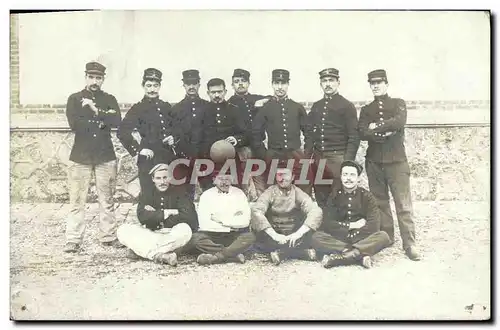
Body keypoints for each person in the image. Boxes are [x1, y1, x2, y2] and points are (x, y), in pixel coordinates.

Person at [358, 69, 420, 261]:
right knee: (380, 202)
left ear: (386, 84)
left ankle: (409, 243)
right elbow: (361, 132)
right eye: (372, 83)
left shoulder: (398, 104)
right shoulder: (367, 110)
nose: (376, 86)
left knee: (403, 205)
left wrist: (375, 127)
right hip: (374, 162)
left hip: (397, 163)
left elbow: (399, 122)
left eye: (379, 82)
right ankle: (387, 236)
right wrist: (384, 130)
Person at [64, 61, 122, 252]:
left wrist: (96, 110)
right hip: (81, 155)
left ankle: (108, 236)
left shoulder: (109, 99)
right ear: (86, 77)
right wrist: (101, 121)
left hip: (104, 155)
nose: (95, 81)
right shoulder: (74, 99)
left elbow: (116, 121)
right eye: (91, 77)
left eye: (98, 77)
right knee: (77, 199)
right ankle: (73, 239)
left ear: (103, 79)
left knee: (107, 198)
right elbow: (75, 124)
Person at [311, 160, 391, 268]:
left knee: (383, 236)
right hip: (340, 238)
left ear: (358, 178)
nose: (348, 178)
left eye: (352, 175)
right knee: (316, 237)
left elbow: (374, 225)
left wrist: (354, 234)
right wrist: (351, 226)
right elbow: (328, 223)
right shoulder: (334, 196)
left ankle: (342, 257)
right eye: (345, 174)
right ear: (341, 177)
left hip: (361, 238)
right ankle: (358, 254)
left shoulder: (367, 197)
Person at [116, 164, 197, 266]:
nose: (162, 182)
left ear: (170, 178)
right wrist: (167, 213)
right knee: (123, 230)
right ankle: (162, 254)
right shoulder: (147, 194)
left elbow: (189, 217)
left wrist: (155, 215)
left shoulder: (180, 193)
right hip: (151, 233)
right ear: (153, 179)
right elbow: (142, 217)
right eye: (158, 178)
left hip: (172, 233)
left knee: (185, 230)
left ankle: (146, 252)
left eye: (165, 177)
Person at [251, 69, 313, 195]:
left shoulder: (297, 108)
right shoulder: (266, 109)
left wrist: (306, 154)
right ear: (272, 84)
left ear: (288, 84)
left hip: (295, 155)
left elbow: (309, 133)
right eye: (277, 83)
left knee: (305, 183)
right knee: (273, 190)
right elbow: (256, 134)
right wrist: (264, 154)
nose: (280, 87)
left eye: (283, 83)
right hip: (274, 155)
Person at [306, 68, 360, 208]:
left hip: (337, 158)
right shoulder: (317, 106)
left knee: (338, 195)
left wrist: (347, 161)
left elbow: (354, 136)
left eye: (331, 80)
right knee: (321, 195)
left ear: (338, 82)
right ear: (321, 84)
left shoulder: (347, 106)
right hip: (319, 159)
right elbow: (311, 134)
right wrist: (309, 155)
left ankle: (339, 228)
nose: (328, 84)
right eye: (324, 81)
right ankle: (324, 228)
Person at [117, 68, 176, 194]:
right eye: (149, 86)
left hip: (167, 156)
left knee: (169, 194)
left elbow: (175, 128)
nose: (152, 89)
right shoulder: (137, 108)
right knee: (149, 194)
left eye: (155, 85)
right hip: (148, 158)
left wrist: (173, 138)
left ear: (159, 86)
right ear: (143, 86)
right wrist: (138, 150)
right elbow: (122, 132)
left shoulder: (166, 107)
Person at [251, 167, 322, 265]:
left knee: (313, 237)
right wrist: (274, 235)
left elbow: (315, 210)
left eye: (285, 175)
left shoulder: (297, 192)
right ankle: (300, 253)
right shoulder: (270, 192)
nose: (282, 178)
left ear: (292, 177)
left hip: (293, 233)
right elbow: (257, 210)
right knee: (258, 241)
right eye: (279, 175)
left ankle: (282, 253)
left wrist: (298, 233)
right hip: (275, 233)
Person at [192, 78, 247, 191]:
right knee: (209, 191)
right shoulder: (201, 112)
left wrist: (236, 139)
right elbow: (196, 137)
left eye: (219, 91)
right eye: (213, 92)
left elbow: (246, 134)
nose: (217, 95)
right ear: (208, 93)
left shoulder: (234, 110)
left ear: (225, 92)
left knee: (235, 190)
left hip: (230, 158)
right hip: (207, 158)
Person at [190, 171, 255, 265]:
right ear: (214, 180)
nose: (224, 182)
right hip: (212, 236)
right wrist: (233, 219)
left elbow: (245, 221)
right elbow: (204, 223)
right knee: (195, 238)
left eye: (227, 179)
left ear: (232, 180)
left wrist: (221, 220)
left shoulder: (239, 193)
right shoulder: (206, 195)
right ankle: (233, 254)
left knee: (249, 237)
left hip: (234, 235)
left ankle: (216, 257)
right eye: (220, 179)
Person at [227, 68, 270, 200]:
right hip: (241, 148)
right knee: (244, 182)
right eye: (237, 81)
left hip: (258, 147)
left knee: (263, 178)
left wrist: (262, 102)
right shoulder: (229, 103)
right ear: (232, 85)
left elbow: (273, 98)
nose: (240, 84)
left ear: (248, 83)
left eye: (243, 81)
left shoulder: (255, 98)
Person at [170, 69, 209, 200]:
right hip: (184, 158)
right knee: (185, 196)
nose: (191, 87)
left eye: (194, 83)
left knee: (210, 191)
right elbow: (174, 132)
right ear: (184, 85)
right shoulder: (176, 109)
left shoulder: (208, 107)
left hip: (205, 157)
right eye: (188, 83)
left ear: (199, 84)